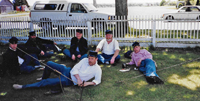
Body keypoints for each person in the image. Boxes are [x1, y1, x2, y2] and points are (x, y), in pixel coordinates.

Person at [13, 51, 102, 94]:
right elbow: (75, 69)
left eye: (92, 59)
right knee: (49, 64)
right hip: (67, 70)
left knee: (47, 82)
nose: (89, 60)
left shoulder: (97, 69)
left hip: (68, 80)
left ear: (96, 59)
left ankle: (23, 87)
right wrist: (79, 79)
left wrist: (86, 83)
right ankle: (43, 77)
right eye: (89, 58)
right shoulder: (85, 60)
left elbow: (97, 80)